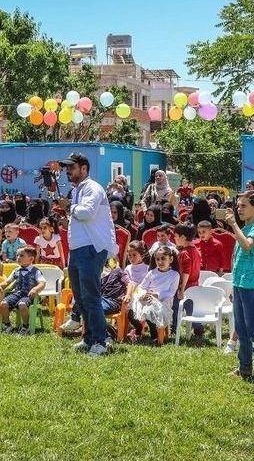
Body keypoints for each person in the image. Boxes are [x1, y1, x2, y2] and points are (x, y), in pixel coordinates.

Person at [61, 152, 117, 355]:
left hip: (92, 247)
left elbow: (86, 213)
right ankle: (88, 338)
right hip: (79, 248)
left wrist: (70, 207)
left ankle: (100, 342)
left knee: (91, 297)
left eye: (72, 167)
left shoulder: (92, 188)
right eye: (67, 167)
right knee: (81, 297)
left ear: (84, 169)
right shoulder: (78, 189)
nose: (68, 171)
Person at [222, 190, 254, 382]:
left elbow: (248, 246)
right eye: (238, 205)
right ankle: (245, 368)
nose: (239, 209)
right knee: (241, 329)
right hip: (240, 284)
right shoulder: (246, 227)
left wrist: (233, 224)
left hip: (252, 286)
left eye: (244, 206)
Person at [128, 246, 180, 343]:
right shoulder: (152, 273)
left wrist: (156, 295)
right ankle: (139, 329)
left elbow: (171, 293)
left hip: (163, 302)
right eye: (157, 259)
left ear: (171, 259)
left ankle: (155, 336)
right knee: (130, 310)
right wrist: (143, 295)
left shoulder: (174, 275)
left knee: (150, 310)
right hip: (147, 299)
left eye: (163, 259)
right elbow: (142, 286)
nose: (160, 262)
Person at [0, 246, 46, 335]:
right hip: (17, 293)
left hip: (29, 295)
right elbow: (7, 282)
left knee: (22, 304)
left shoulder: (36, 271)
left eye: (21, 255)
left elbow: (42, 283)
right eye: (17, 255)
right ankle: (7, 324)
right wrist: (0, 286)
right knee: (4, 304)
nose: (18, 257)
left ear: (31, 259)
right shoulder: (16, 270)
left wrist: (35, 289)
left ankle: (26, 326)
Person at [173, 223, 202, 340]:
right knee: (192, 311)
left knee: (176, 308)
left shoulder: (184, 253)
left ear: (183, 237)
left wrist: (181, 289)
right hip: (194, 286)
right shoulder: (196, 249)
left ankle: (174, 329)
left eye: (176, 236)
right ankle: (198, 328)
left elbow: (186, 272)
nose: (174, 238)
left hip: (186, 287)